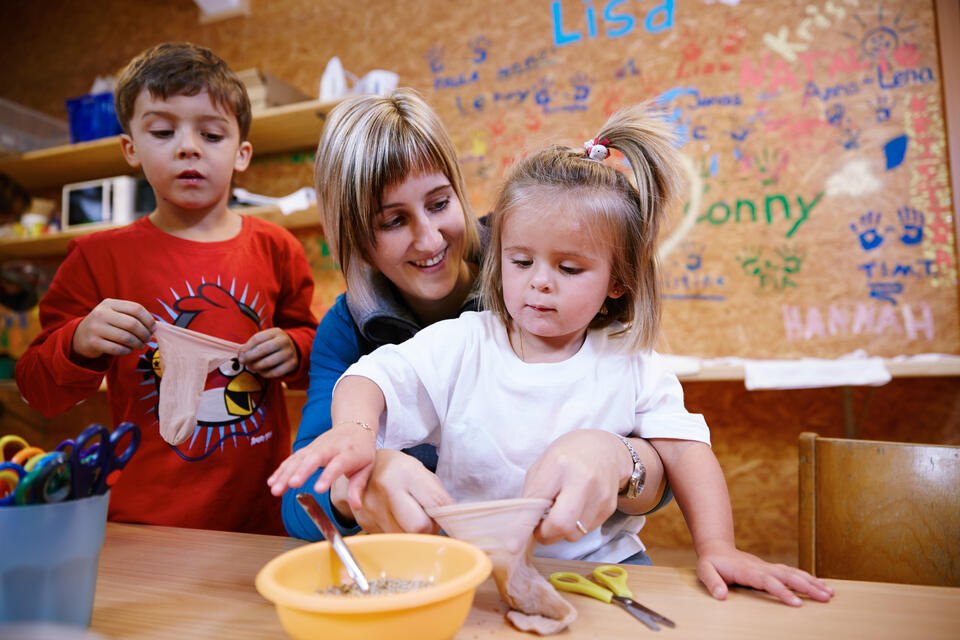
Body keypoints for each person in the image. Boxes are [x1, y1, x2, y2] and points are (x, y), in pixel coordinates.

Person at [269, 103, 835, 605]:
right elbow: (368, 379)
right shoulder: (462, 341)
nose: (540, 283)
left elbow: (685, 455)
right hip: (478, 577)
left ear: (618, 281)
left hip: (606, 576)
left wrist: (716, 545)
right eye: (393, 221)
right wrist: (358, 441)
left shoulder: (631, 359)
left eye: (568, 268)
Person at [281, 88, 669, 551]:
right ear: (356, 239)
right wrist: (357, 481)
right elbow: (296, 504)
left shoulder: (539, 286)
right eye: (392, 222)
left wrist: (620, 457)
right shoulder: (346, 330)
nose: (429, 240)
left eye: (440, 203)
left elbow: (664, 476)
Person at [14, 42, 316, 535]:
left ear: (241, 154)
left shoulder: (277, 247)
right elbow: (38, 390)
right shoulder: (96, 257)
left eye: (212, 133)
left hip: (262, 517)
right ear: (130, 147)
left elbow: (316, 352)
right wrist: (78, 341)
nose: (188, 146)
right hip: (147, 521)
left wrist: (295, 349)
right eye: (162, 130)